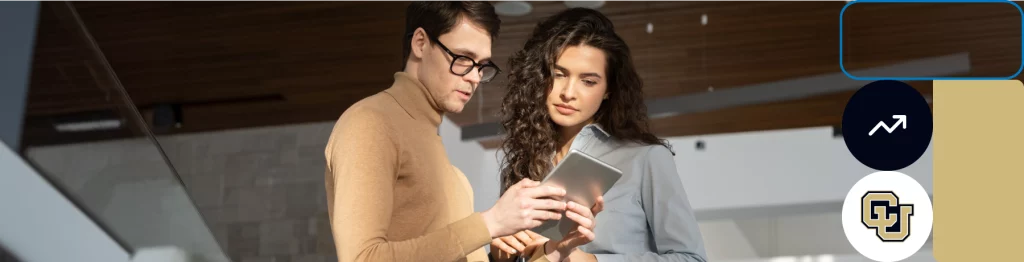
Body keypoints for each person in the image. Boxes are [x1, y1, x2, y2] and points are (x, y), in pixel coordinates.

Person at [323, 1, 602, 262]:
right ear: (420, 43)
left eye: (482, 65)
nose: (474, 77)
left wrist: (553, 251)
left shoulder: (439, 156)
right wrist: (490, 222)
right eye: (463, 58)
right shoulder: (371, 123)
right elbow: (363, 257)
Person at [490, 8, 709, 262]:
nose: (568, 92)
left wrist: (592, 261)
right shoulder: (522, 164)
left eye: (588, 81)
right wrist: (498, 254)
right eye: (559, 74)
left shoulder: (646, 158)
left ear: (608, 90)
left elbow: (692, 259)